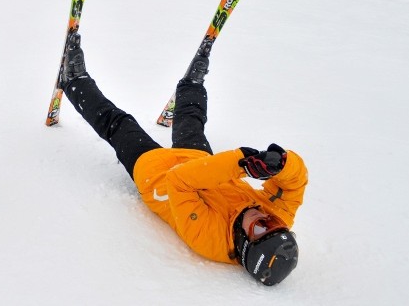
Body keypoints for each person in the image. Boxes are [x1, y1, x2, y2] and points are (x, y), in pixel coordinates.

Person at [58, 32, 307, 286]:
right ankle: (192, 85)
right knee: (191, 123)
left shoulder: (209, 240)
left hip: (159, 177)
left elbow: (180, 181)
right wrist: (281, 164)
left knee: (119, 124)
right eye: (276, 222)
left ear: (245, 244)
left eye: (261, 227)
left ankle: (75, 80)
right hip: (202, 165)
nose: (265, 216)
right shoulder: (271, 215)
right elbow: (296, 183)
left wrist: (241, 164)